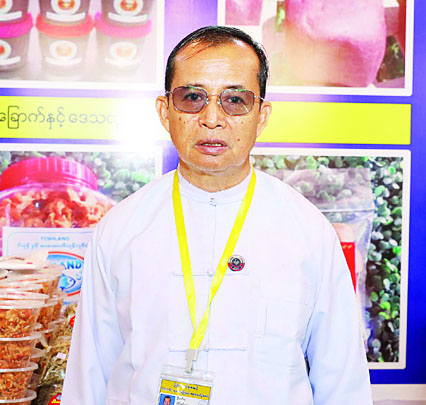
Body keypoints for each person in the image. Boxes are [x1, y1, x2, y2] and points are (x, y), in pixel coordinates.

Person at [62, 26, 372, 404]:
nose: (212, 118)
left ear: (261, 116)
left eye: (235, 100)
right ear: (165, 111)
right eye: (192, 97)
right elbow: (88, 379)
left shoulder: (308, 232)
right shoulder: (120, 229)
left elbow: (343, 386)